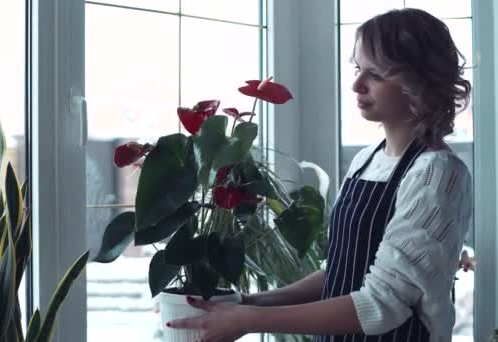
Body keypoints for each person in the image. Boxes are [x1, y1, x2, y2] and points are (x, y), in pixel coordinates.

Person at [167, 8, 473, 342]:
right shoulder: (365, 161)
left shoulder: (437, 173)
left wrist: (250, 319)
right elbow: (341, 273)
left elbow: (381, 303)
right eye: (358, 69)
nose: (357, 84)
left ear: (419, 82)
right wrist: (248, 302)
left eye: (376, 74)